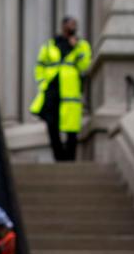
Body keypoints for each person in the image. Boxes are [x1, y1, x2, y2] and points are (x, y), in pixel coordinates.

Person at [30, 14, 92, 162]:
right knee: (52, 124)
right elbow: (40, 65)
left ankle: (69, 159)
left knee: (71, 127)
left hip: (70, 91)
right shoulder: (50, 45)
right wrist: (42, 82)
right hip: (52, 88)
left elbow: (85, 65)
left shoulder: (82, 45)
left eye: (75, 25)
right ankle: (59, 157)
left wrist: (75, 47)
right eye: (71, 24)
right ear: (63, 26)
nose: (74, 27)